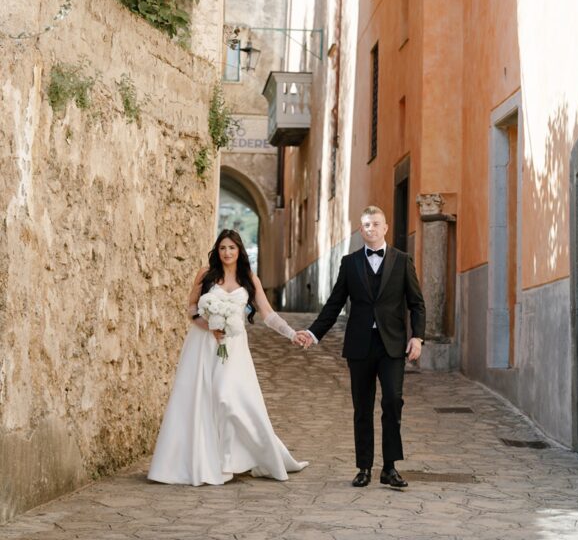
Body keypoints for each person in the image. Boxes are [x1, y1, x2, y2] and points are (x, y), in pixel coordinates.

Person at [148, 229, 308, 485]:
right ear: (217, 250)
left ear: (239, 250)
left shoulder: (249, 278)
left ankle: (230, 458)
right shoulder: (206, 274)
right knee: (205, 398)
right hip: (204, 345)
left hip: (234, 348)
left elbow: (267, 314)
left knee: (227, 397)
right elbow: (191, 308)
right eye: (222, 248)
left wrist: (291, 333)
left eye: (232, 248)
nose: (227, 252)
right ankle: (211, 461)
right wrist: (208, 325)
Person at [295, 206, 426, 489]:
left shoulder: (402, 261)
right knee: (362, 408)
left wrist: (417, 337)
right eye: (366, 225)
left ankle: (389, 468)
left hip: (392, 345)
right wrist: (313, 333)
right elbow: (334, 303)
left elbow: (416, 303)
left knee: (393, 402)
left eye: (376, 224)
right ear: (361, 229)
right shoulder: (350, 262)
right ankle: (364, 467)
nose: (371, 229)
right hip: (360, 346)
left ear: (385, 228)